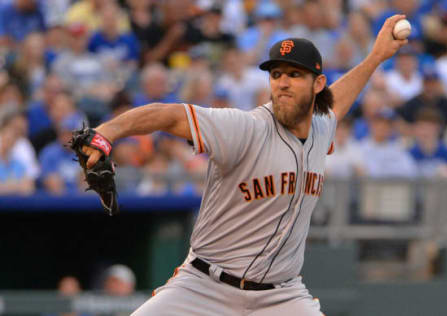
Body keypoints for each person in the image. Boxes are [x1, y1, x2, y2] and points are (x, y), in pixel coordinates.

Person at [81, 15, 408, 316]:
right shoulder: (244, 128)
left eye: (294, 74)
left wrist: (375, 57)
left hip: (281, 296)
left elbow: (337, 101)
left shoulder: (322, 126)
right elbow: (170, 115)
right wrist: (107, 132)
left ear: (317, 84)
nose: (282, 83)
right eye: (276, 74)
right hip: (204, 286)